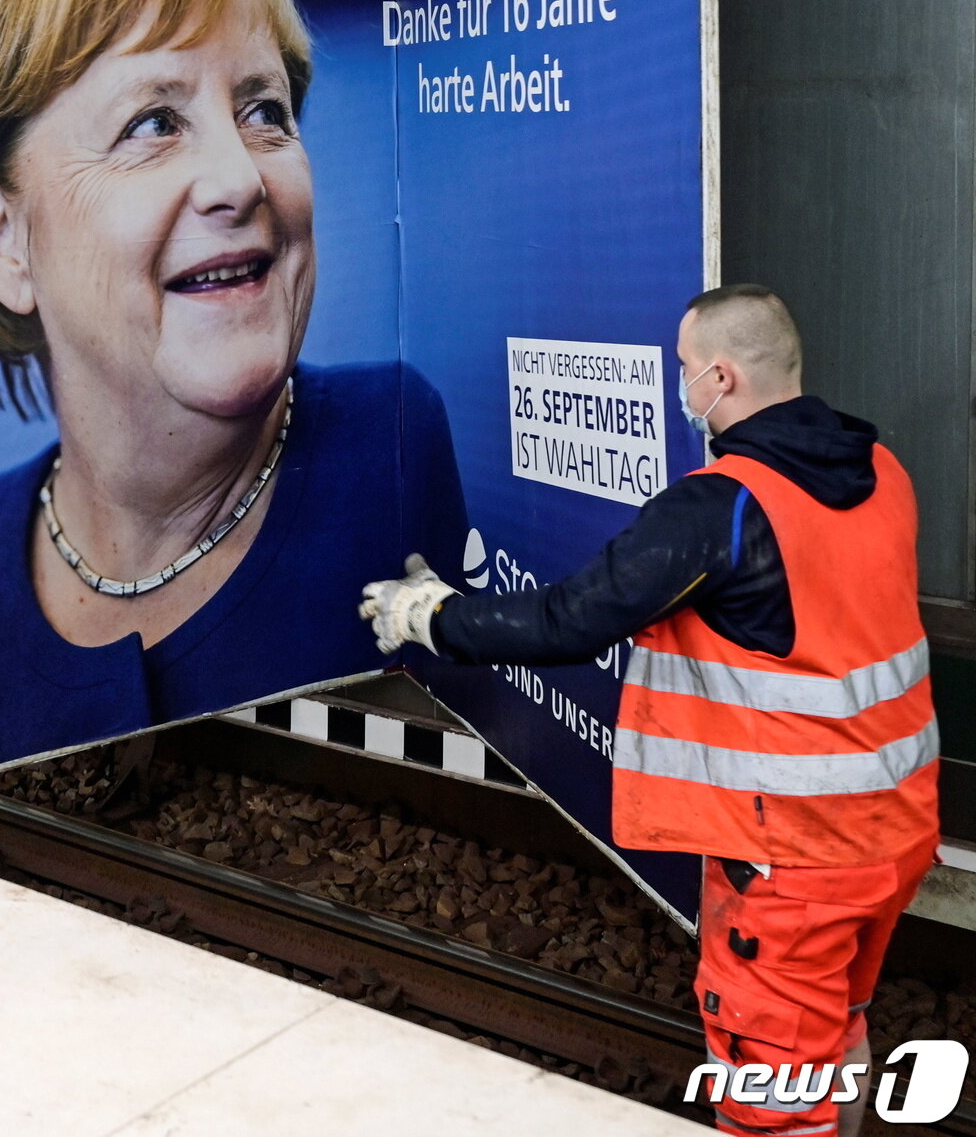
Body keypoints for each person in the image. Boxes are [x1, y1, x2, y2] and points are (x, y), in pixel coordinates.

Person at [0, 0, 466, 801]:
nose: (239, 178)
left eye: (264, 110)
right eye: (152, 123)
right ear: (4, 236)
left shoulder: (393, 455)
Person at [361, 285, 940, 1137]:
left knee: (772, 1093)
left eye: (681, 370)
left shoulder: (724, 507)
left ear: (721, 376)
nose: (679, 388)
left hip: (794, 858)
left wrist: (433, 617)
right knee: (836, 1030)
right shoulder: (879, 468)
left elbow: (570, 617)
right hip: (895, 832)